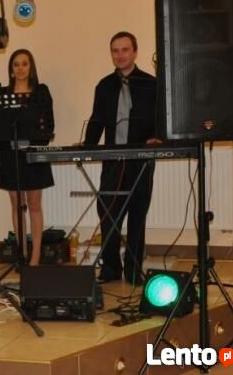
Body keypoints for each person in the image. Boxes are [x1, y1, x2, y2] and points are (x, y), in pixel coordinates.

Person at [83, 31, 158, 286]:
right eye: (115, 51)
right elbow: (97, 120)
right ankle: (111, 268)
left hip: (140, 161)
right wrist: (87, 145)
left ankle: (134, 271)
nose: (120, 55)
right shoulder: (104, 86)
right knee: (108, 215)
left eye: (125, 50)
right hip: (113, 162)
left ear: (134, 52)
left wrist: (157, 137)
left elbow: (160, 118)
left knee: (137, 216)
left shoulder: (151, 84)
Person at [0, 49, 55, 266]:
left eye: (25, 64)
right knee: (17, 205)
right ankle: (22, 253)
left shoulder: (41, 91)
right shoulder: (2, 93)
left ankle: (35, 257)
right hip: (9, 155)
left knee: (34, 204)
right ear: (11, 69)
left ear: (31, 67)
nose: (20, 68)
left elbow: (48, 125)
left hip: (33, 153)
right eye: (16, 64)